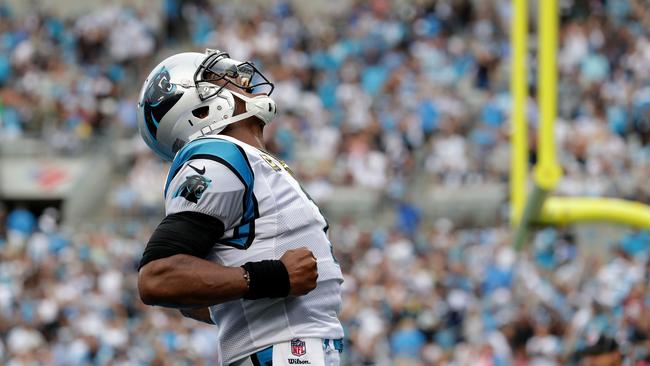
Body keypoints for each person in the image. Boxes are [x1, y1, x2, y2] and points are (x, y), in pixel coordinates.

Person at [135, 49, 344, 366]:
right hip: (281, 352)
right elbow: (158, 277)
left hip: (286, 349)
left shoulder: (246, 160)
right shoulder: (219, 156)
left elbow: (193, 299)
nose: (240, 79)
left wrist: (246, 292)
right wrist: (272, 277)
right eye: (219, 78)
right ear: (201, 109)